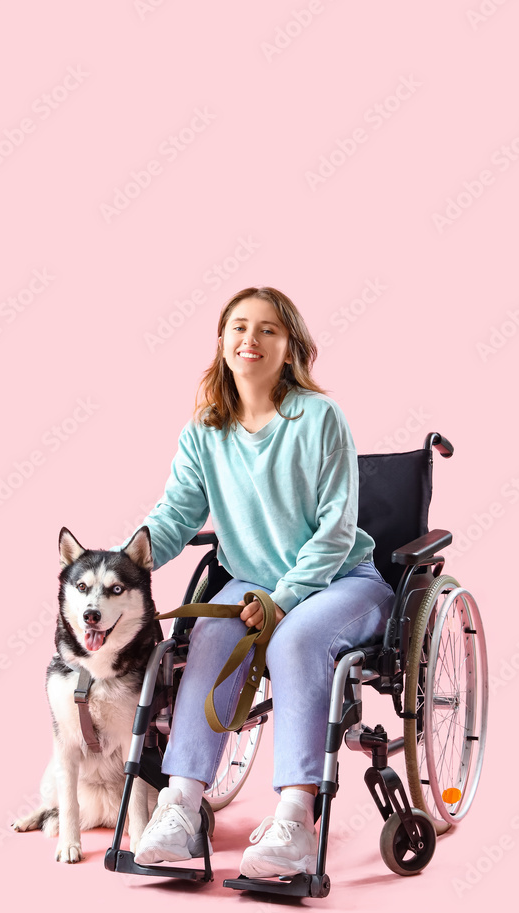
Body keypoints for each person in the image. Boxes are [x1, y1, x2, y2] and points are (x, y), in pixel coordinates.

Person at [120, 286, 395, 878]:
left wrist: (284, 599)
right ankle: (180, 809)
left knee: (295, 639)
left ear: (291, 347)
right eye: (239, 327)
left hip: (342, 580)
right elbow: (174, 518)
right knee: (206, 638)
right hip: (253, 583)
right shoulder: (206, 429)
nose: (251, 339)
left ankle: (295, 819)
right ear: (222, 343)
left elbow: (337, 530)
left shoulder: (320, 418)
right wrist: (117, 568)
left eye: (268, 329)